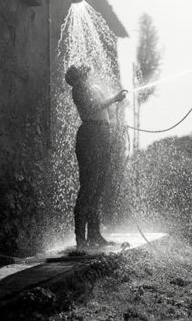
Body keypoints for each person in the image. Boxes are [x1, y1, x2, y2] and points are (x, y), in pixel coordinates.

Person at [65, 64, 127, 248]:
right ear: (76, 77)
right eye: (81, 71)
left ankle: (94, 234)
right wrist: (114, 99)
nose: (87, 71)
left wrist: (114, 106)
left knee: (98, 186)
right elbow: (92, 108)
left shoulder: (93, 88)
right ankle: (80, 239)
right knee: (88, 186)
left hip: (101, 134)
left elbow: (103, 110)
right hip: (90, 135)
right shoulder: (78, 90)